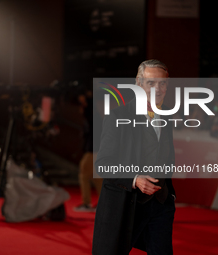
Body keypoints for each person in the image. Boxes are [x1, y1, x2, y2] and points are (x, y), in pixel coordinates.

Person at [92, 59, 176, 254]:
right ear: (138, 83)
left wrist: (169, 194)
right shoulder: (117, 116)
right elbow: (103, 164)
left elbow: (166, 156)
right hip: (126, 204)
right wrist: (135, 179)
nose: (158, 88)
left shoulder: (167, 116)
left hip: (161, 204)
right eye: (151, 83)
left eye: (162, 83)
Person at [74, 89, 103, 212]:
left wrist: (85, 100)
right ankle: (103, 203)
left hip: (93, 150)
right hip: (96, 149)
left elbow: (88, 111)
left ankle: (86, 203)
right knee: (96, 177)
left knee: (84, 173)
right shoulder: (94, 115)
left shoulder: (92, 114)